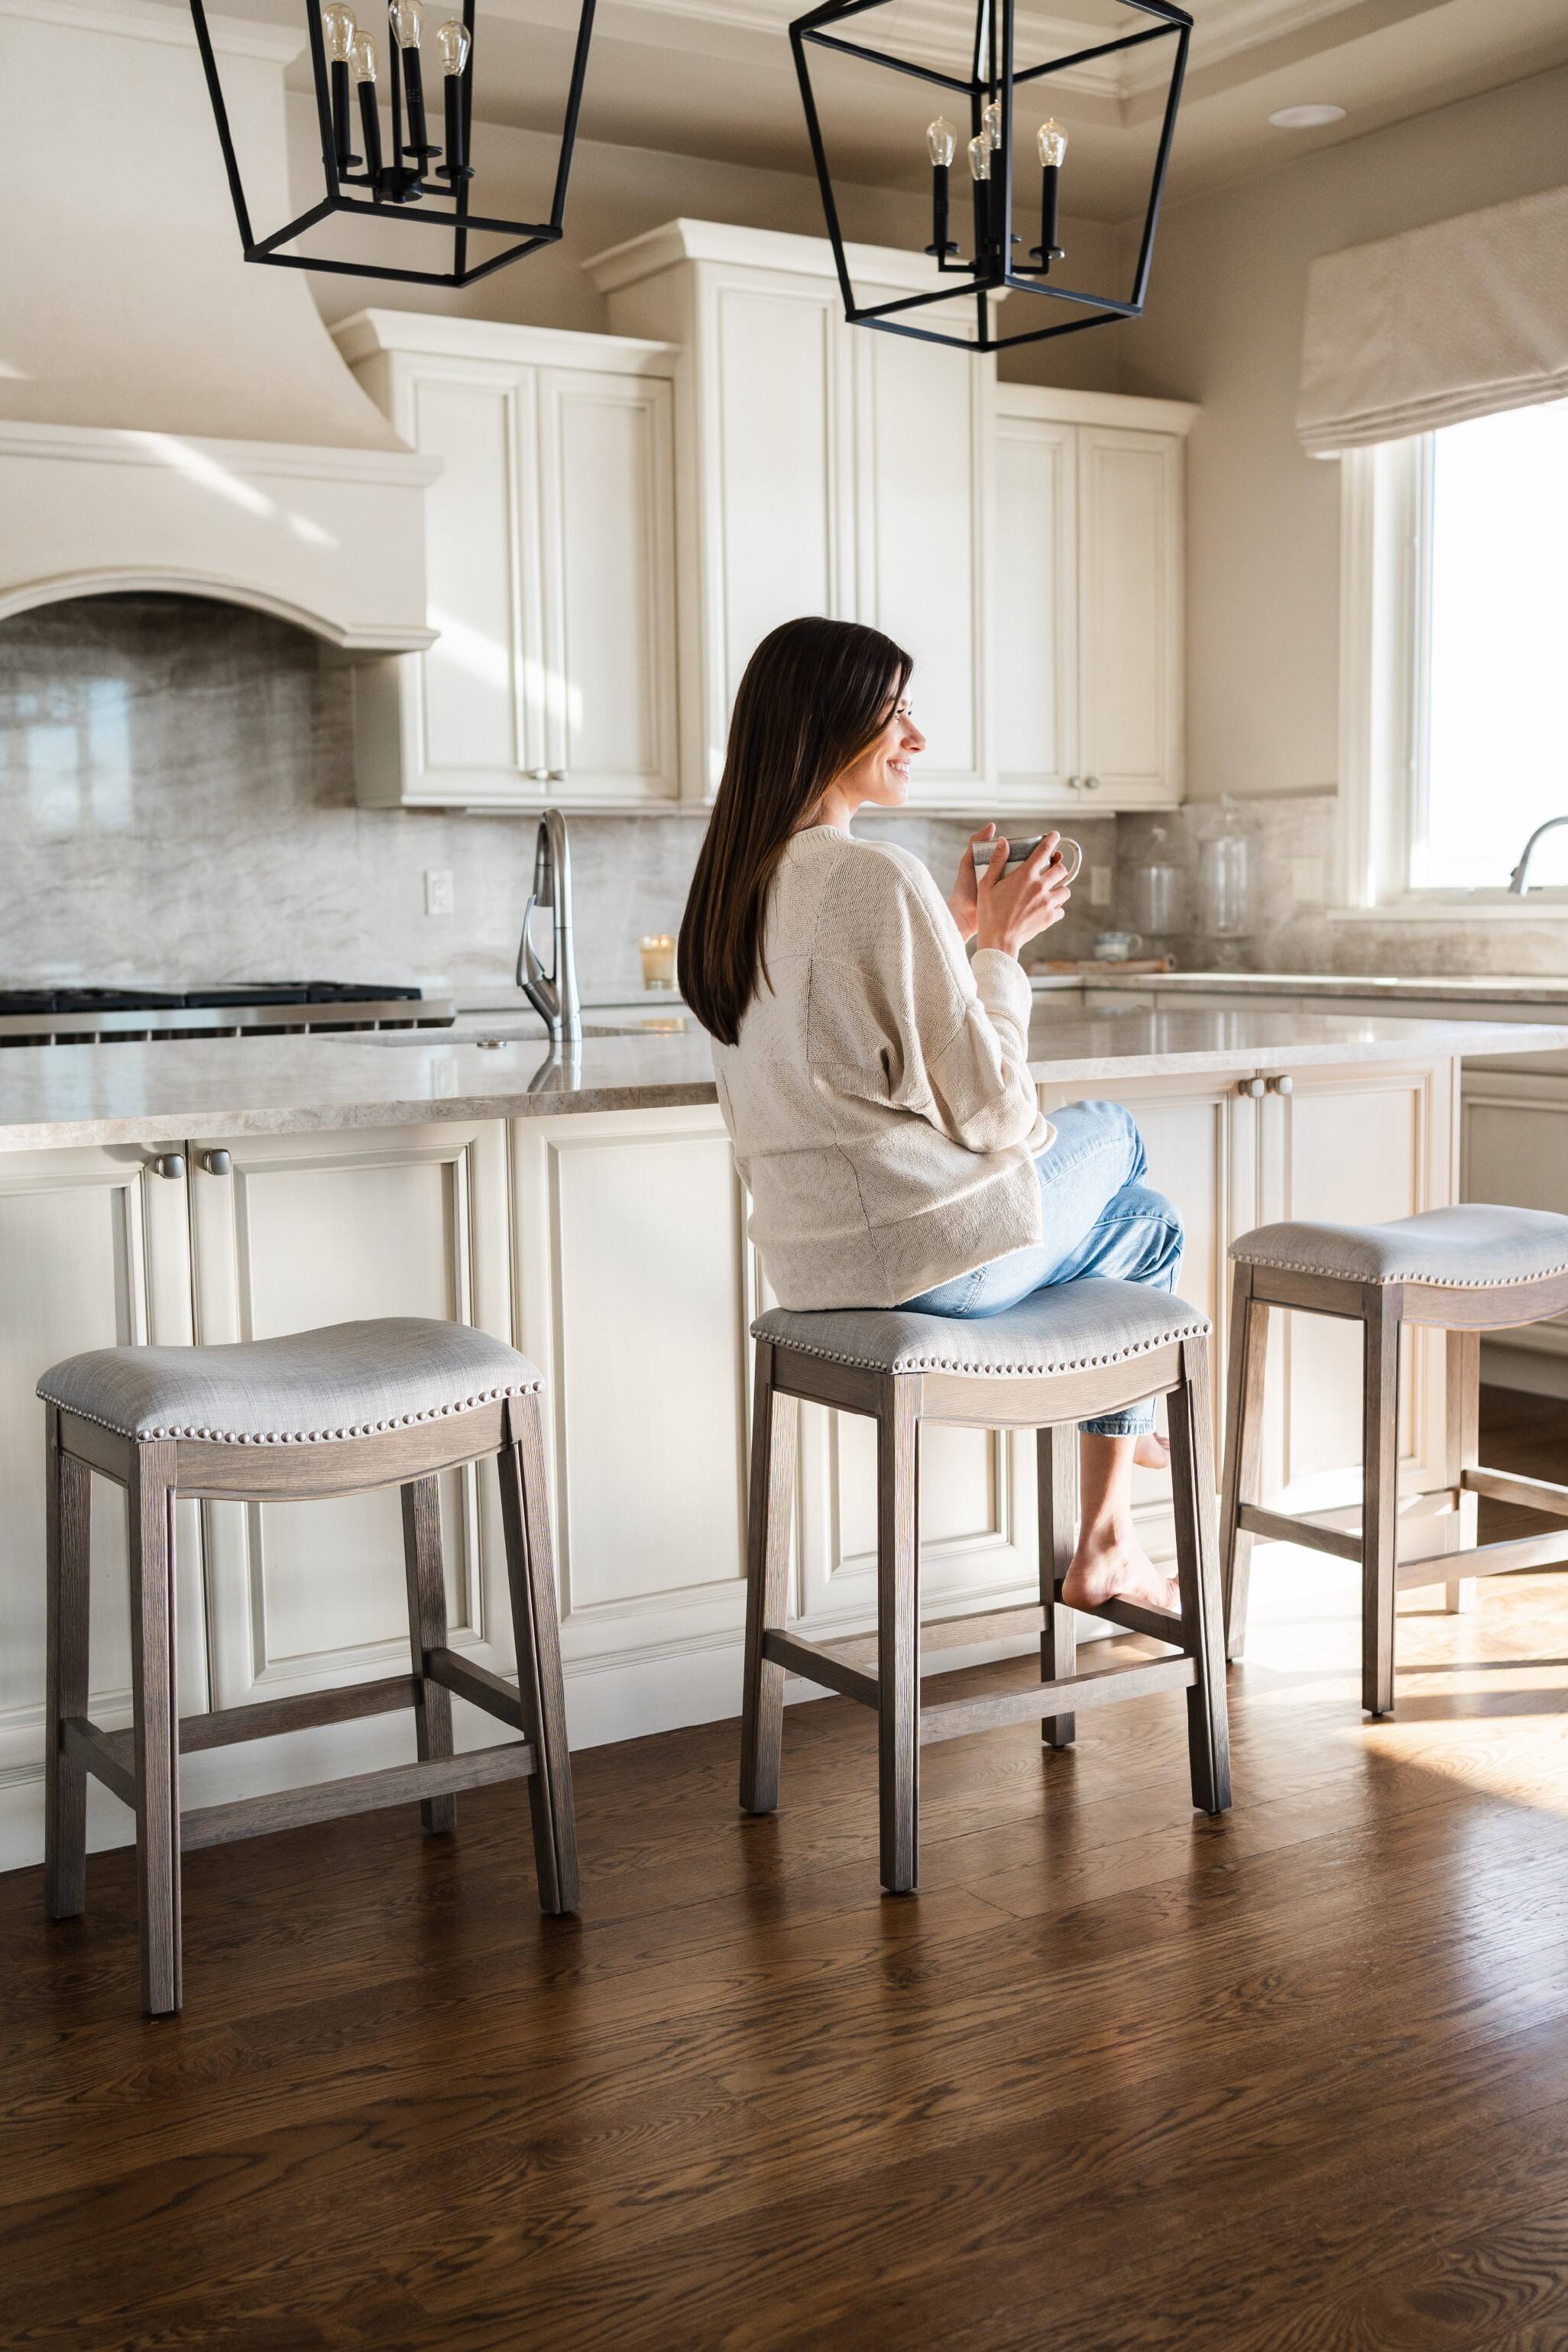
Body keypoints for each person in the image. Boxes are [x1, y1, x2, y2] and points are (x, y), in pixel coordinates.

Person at [679, 615, 1184, 1615]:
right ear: (827, 722)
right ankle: (1121, 1452)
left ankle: (1113, 1527)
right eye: (895, 712)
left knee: (1144, 1222)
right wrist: (998, 948)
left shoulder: (737, 893)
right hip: (933, 1262)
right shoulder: (874, 876)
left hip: (817, 1270)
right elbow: (998, 1114)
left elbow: (858, 1041)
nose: (916, 736)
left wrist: (948, 930)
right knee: (1119, 1135)